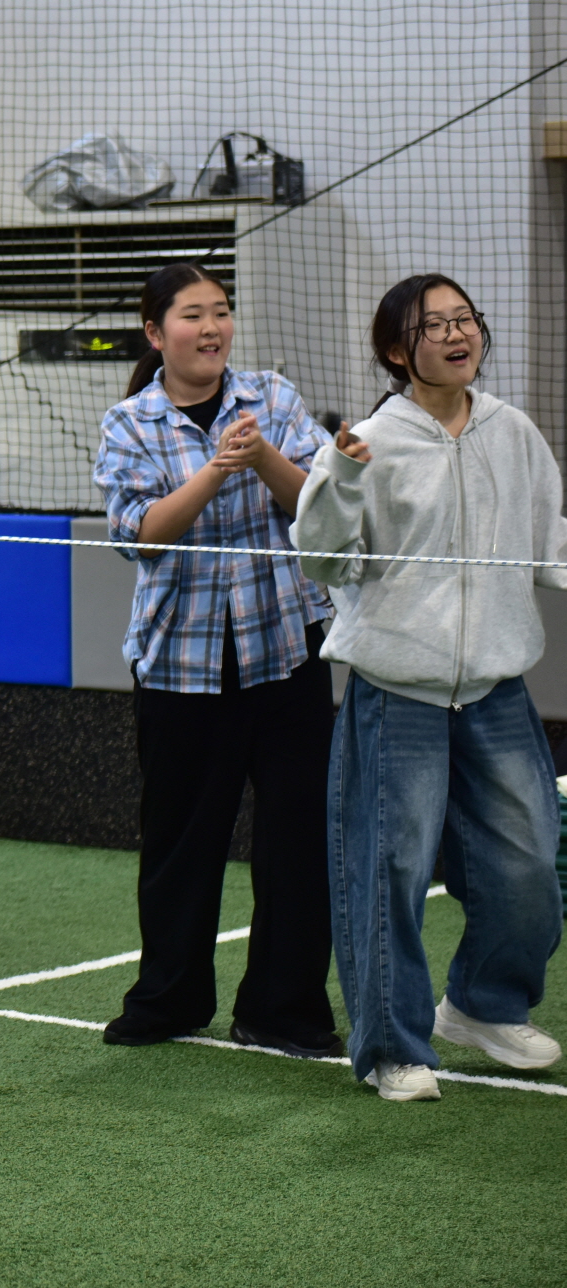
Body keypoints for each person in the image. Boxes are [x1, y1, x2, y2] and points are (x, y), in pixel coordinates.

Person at [295, 273, 566, 1101]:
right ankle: (393, 1049)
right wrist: (342, 479)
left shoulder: (514, 432)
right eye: (434, 325)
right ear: (395, 350)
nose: (457, 335)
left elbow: (549, 539)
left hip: (496, 690)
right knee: (389, 871)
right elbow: (323, 560)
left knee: (531, 866)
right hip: (396, 691)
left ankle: (483, 1004)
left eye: (465, 320)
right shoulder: (366, 443)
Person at [91, 263, 341, 1059]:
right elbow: (141, 537)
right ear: (155, 331)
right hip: (181, 666)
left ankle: (284, 1011)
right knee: (181, 845)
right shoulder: (130, 422)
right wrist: (215, 470)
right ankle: (168, 1002)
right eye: (193, 314)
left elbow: (320, 509)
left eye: (222, 312)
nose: (212, 328)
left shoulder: (272, 396)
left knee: (298, 842)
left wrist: (262, 456)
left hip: (287, 655)